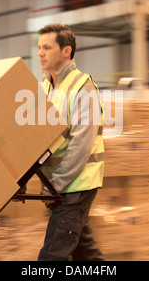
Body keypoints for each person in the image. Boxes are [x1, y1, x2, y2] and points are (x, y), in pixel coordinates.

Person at [36, 23, 105, 261]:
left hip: (77, 184)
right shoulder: (44, 86)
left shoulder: (83, 87)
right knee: (85, 253)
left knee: (51, 257)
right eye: (39, 47)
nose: (40, 53)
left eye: (47, 47)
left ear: (66, 51)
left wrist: (56, 184)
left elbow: (81, 143)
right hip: (60, 186)